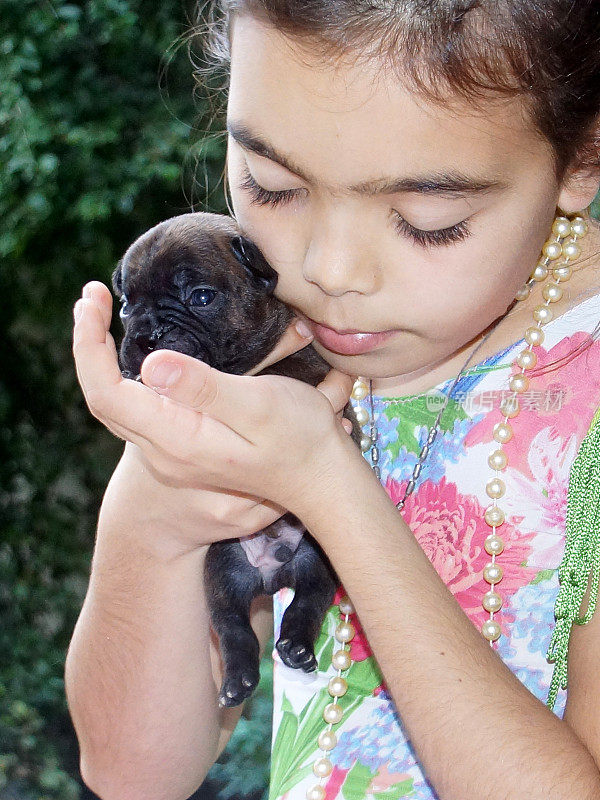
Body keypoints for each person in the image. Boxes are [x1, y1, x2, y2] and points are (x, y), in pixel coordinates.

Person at [66, 2, 600, 799]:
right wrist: (158, 500)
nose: (331, 269)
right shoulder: (272, 357)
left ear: (583, 157)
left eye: (430, 223)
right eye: (272, 186)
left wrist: (328, 484)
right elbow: (131, 774)